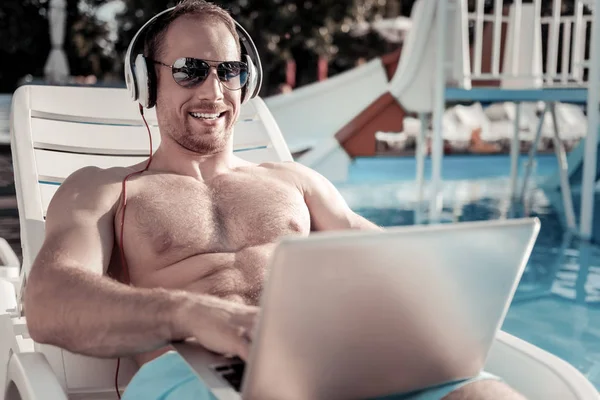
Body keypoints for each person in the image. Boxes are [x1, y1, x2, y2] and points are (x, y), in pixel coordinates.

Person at [23, 1, 526, 399]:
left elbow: (393, 263)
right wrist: (194, 315)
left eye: (229, 71)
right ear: (147, 81)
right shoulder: (106, 189)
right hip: (198, 375)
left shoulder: (296, 181)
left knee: (486, 394)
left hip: (332, 364)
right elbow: (49, 302)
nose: (214, 89)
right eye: (189, 69)